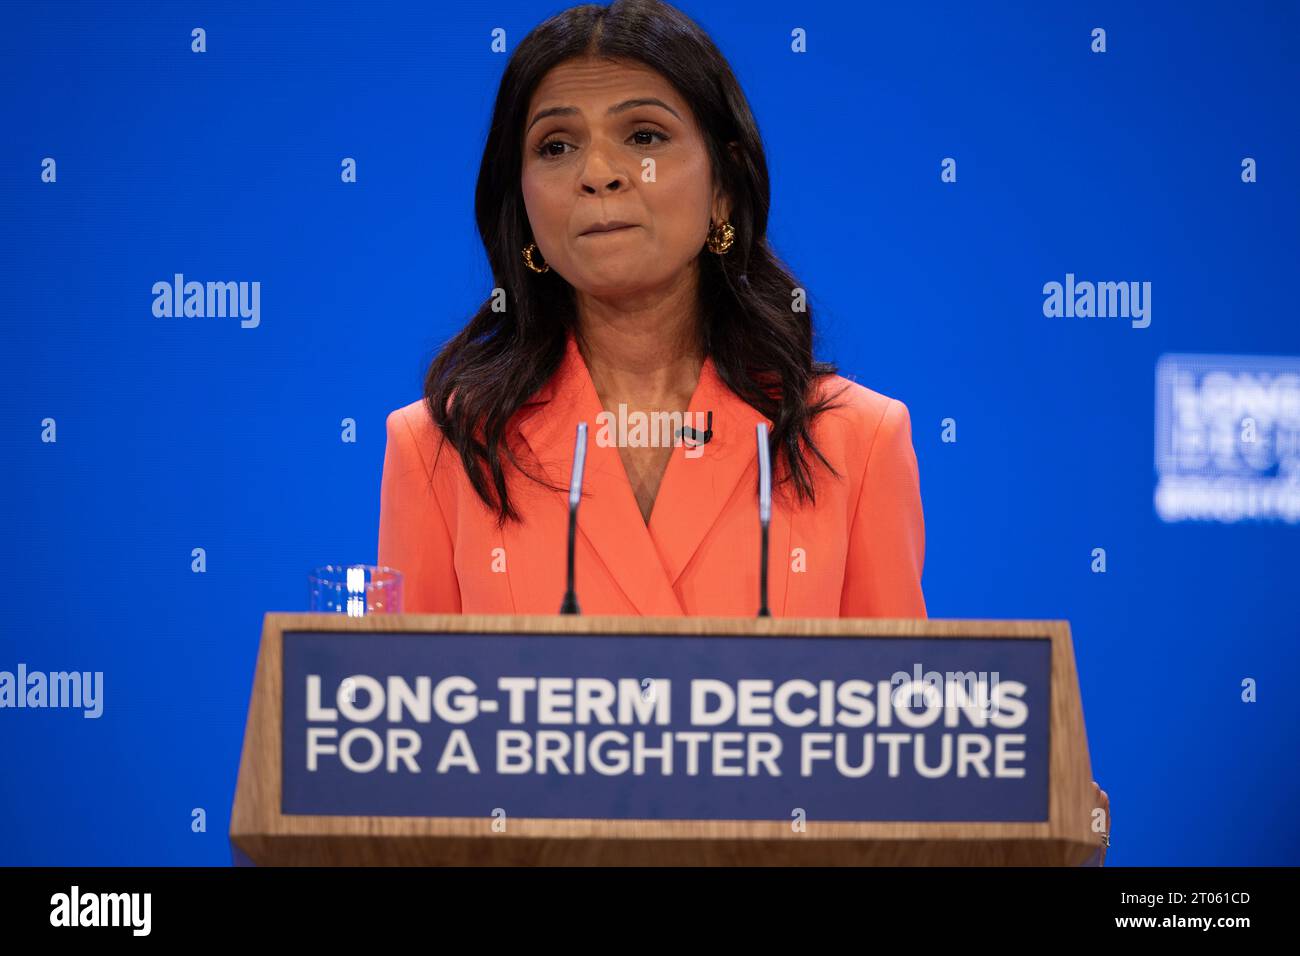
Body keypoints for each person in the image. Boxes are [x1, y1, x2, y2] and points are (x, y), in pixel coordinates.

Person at [379, 0, 925, 619]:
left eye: (644, 136)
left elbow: (894, 705)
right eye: (556, 146)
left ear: (724, 185)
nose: (600, 174)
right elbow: (404, 704)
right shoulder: (441, 446)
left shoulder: (855, 439)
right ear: (522, 202)